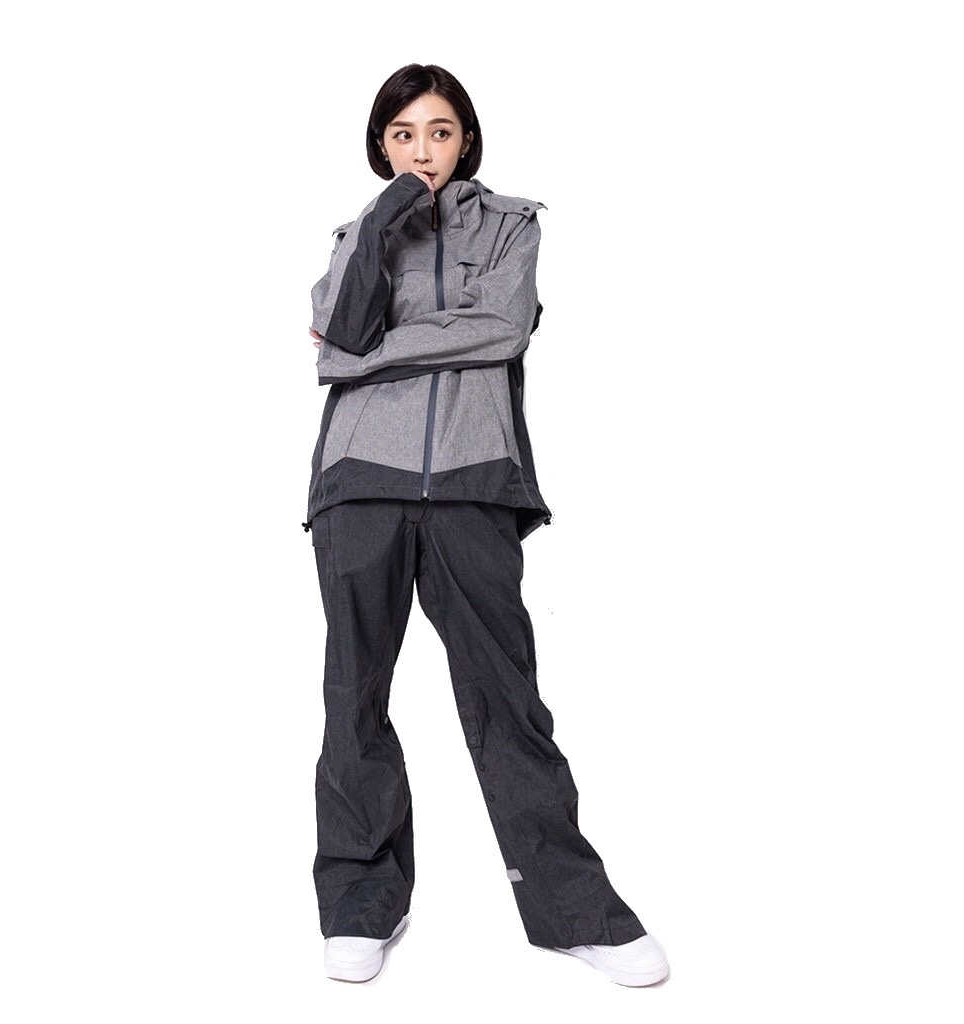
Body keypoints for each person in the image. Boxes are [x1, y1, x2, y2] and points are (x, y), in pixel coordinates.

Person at [303, 63, 669, 988]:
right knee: (354, 697)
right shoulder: (355, 235)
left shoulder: (511, 225)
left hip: (474, 480)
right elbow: (338, 323)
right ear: (381, 145)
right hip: (359, 482)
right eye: (402, 134)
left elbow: (500, 329)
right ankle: (359, 904)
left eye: (439, 131)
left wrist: (363, 356)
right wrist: (383, 227)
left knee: (508, 700)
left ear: (466, 137)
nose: (422, 150)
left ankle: (577, 912)